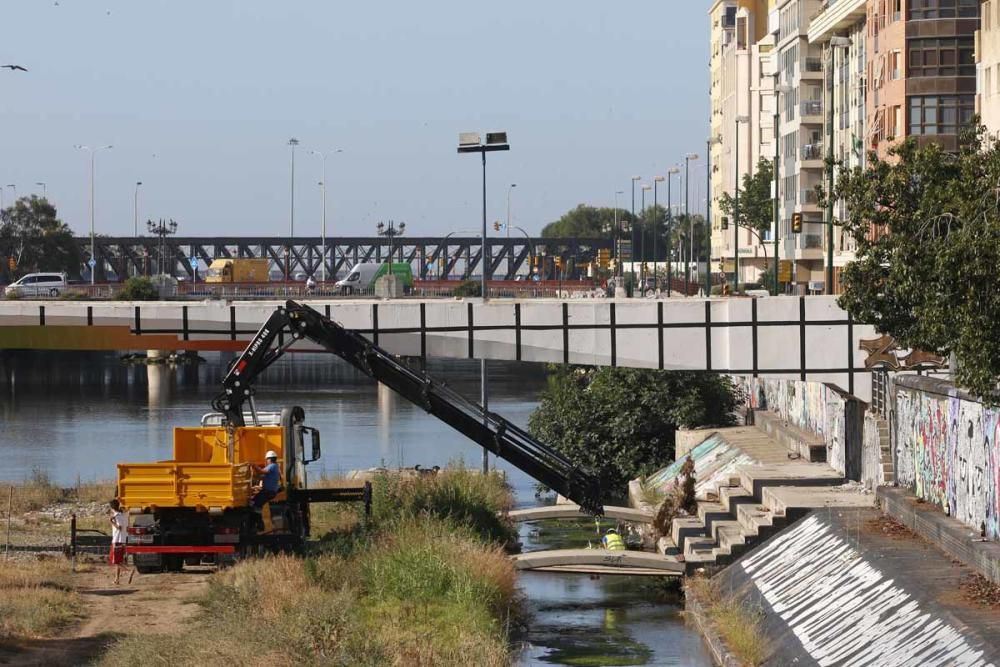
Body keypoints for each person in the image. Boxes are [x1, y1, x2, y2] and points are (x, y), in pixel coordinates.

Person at [108, 499, 134, 585]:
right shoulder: (124, 516)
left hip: (117, 540)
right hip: (123, 540)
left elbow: (120, 527)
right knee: (119, 560)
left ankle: (128, 571)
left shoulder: (117, 516)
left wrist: (111, 522)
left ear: (112, 507)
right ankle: (117, 579)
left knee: (115, 561)